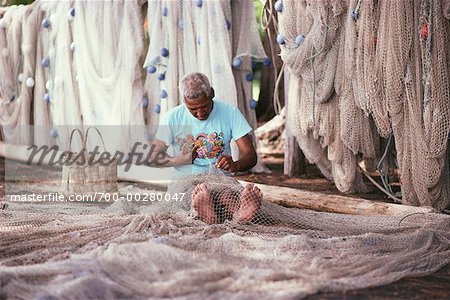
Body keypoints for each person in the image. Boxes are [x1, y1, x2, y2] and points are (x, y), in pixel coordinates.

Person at [151, 72, 262, 224]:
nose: (200, 113)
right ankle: (206, 212)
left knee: (226, 196)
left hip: (220, 180)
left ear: (212, 94)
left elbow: (250, 156)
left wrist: (235, 165)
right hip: (185, 181)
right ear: (184, 101)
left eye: (204, 106)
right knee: (194, 195)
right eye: (193, 109)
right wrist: (179, 160)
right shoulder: (172, 117)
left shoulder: (230, 113)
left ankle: (241, 215)